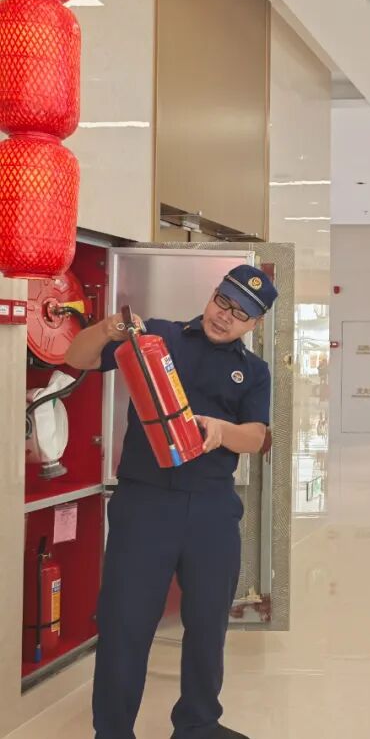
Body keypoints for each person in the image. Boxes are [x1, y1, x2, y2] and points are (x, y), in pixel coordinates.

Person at [65, 265, 277, 739]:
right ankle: (112, 731)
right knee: (125, 623)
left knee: (207, 625)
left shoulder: (254, 371)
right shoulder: (158, 336)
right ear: (213, 293)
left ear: (255, 324)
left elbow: (256, 436)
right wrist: (106, 329)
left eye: (241, 314)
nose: (225, 316)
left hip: (212, 509)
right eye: (223, 301)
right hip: (145, 503)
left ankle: (198, 723)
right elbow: (76, 357)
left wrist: (221, 430)